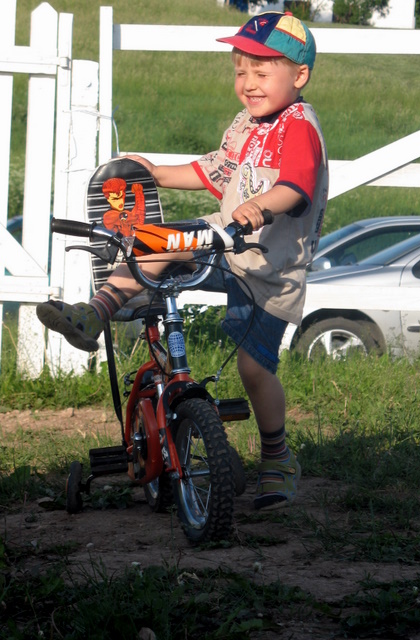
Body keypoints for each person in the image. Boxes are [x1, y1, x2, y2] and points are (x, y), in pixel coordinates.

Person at [37, 11, 329, 510]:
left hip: (271, 268)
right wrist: (156, 172)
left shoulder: (298, 127)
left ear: (298, 75)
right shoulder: (246, 124)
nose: (248, 83)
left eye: (261, 72)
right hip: (226, 240)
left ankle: (277, 458)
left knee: (254, 368)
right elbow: (215, 169)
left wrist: (260, 206)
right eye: (240, 71)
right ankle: (95, 312)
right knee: (156, 241)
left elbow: (296, 185)